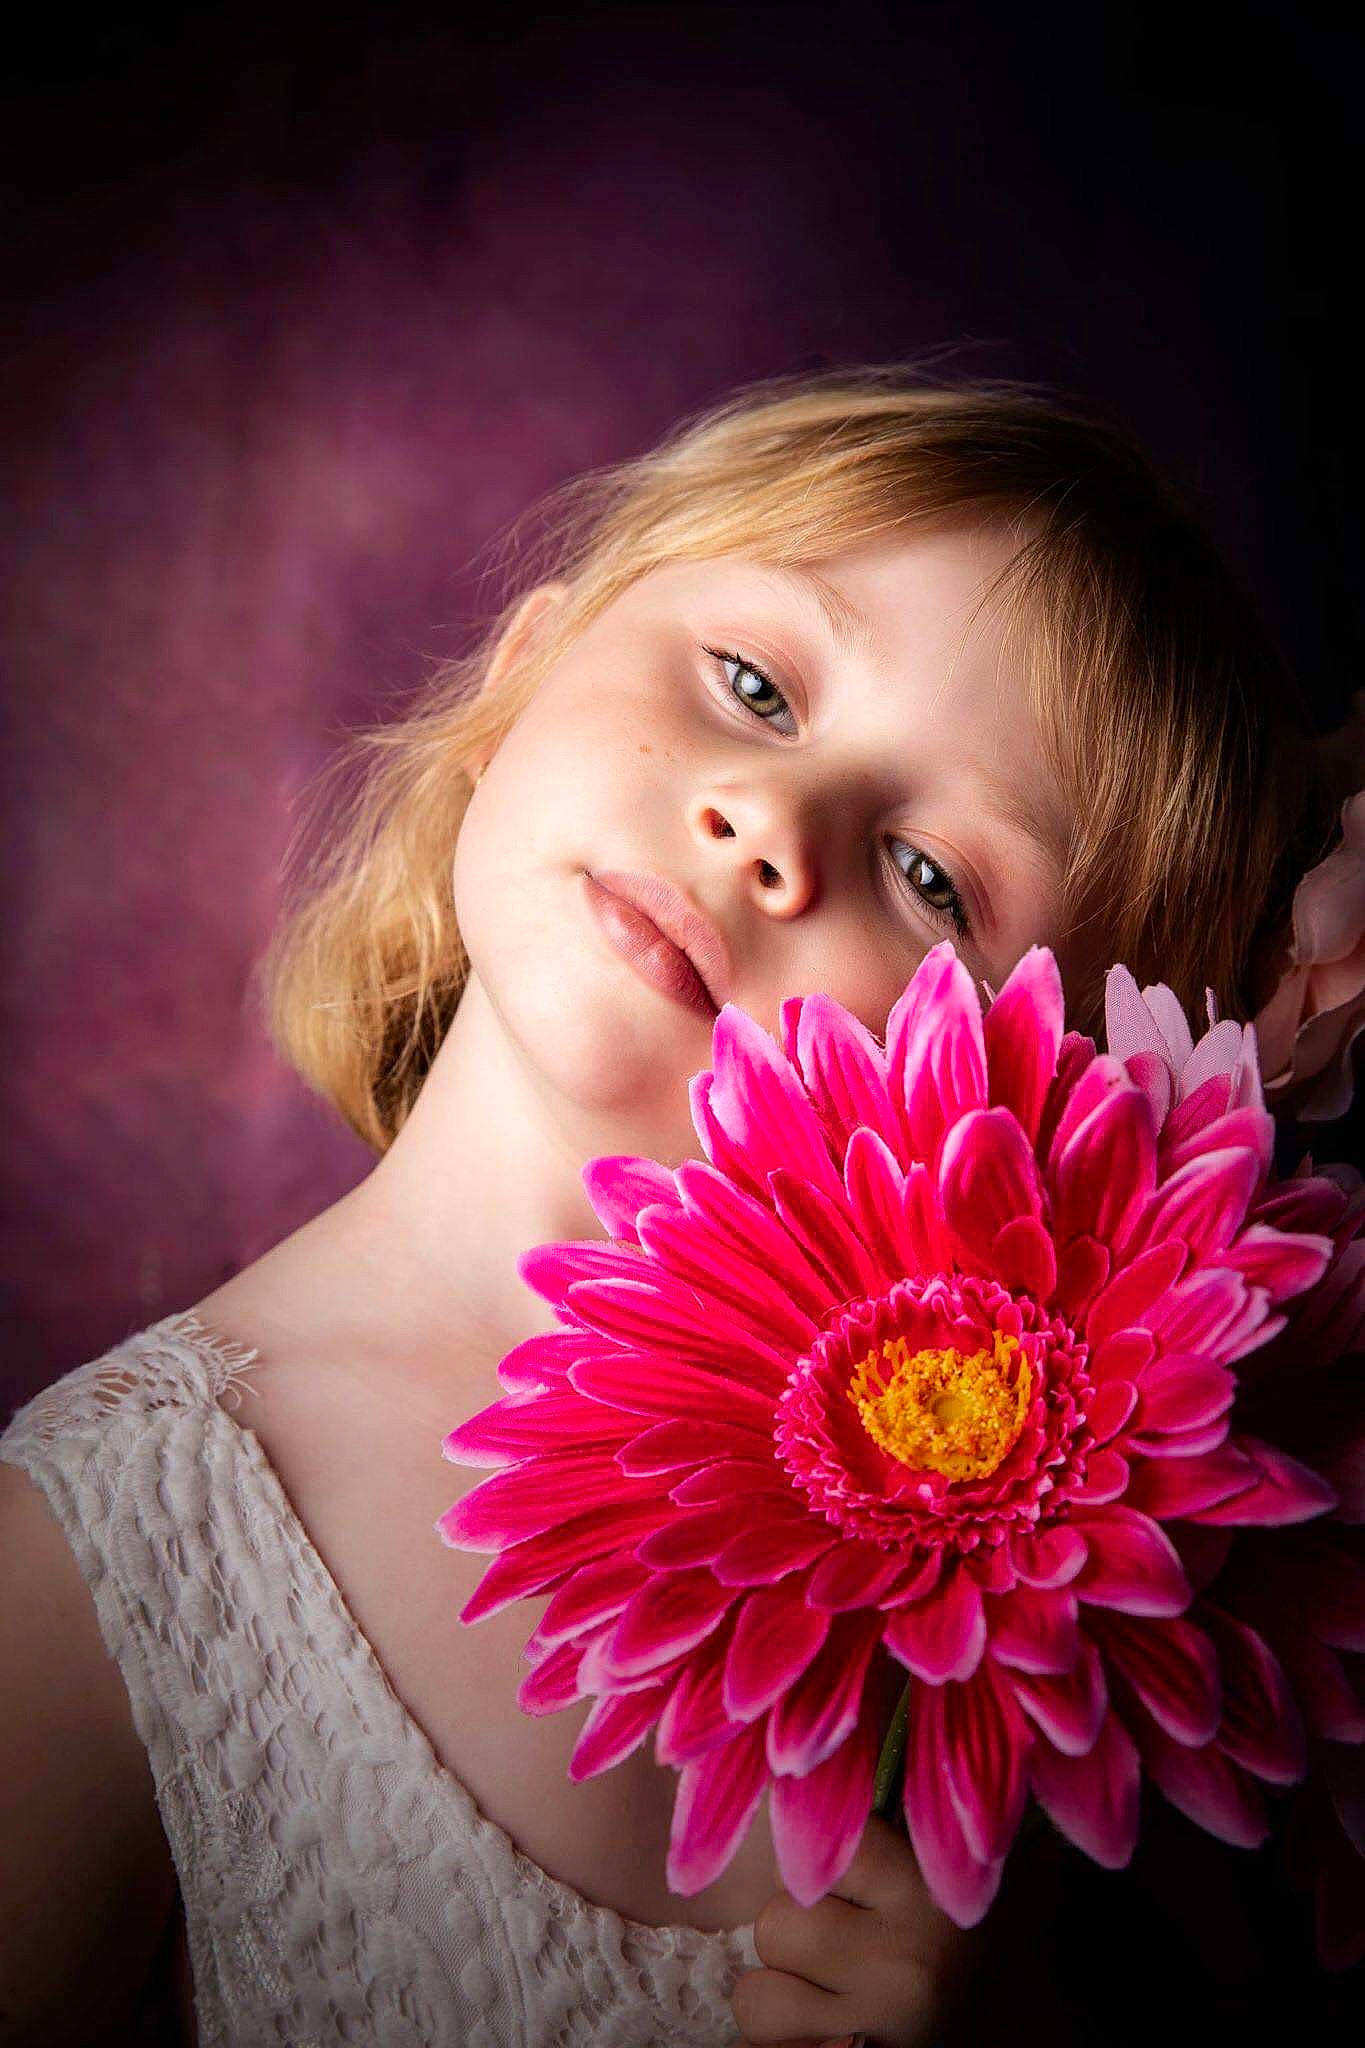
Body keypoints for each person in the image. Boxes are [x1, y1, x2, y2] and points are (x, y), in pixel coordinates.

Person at [0, 364, 1345, 2048]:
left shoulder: (1070, 1624)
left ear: (1042, 1084)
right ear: (522, 669)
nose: (768, 823)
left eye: (930, 877)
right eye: (751, 686)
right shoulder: (105, 1556)